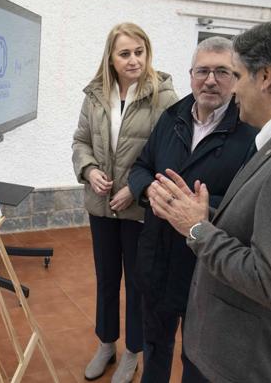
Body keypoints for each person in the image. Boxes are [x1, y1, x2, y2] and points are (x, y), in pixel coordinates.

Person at [148, 15, 271, 382]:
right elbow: (259, 224)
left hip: (243, 363)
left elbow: (270, 282)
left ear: (266, 77)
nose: (232, 89)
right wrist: (196, 210)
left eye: (236, 75)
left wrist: (194, 227)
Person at [127, 36, 257, 382]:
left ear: (237, 78)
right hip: (157, 260)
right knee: (155, 346)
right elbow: (140, 167)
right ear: (190, 75)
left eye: (222, 72)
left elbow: (248, 205)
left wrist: (196, 208)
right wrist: (149, 190)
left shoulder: (250, 133)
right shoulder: (172, 117)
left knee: (198, 359)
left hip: (206, 269)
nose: (210, 80)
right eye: (203, 71)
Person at [72, 22, 178, 382]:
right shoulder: (96, 94)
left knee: (137, 281)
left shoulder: (163, 96)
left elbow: (168, 153)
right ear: (111, 58)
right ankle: (106, 343)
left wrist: (135, 188)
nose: (133, 60)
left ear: (147, 53)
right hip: (100, 205)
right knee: (105, 278)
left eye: (139, 52)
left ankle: (133, 350)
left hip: (137, 208)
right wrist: (88, 171)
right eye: (125, 53)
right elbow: (80, 141)